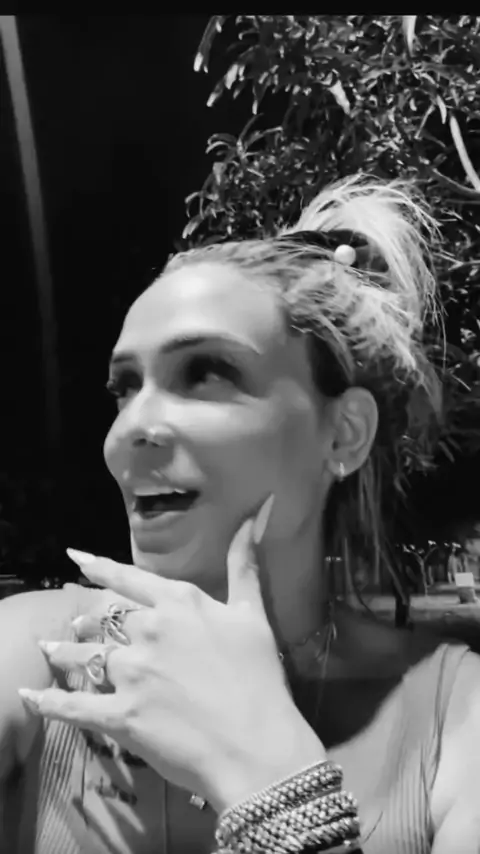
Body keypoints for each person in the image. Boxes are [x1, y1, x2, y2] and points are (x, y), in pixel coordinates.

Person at [2, 176, 480, 854]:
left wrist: (271, 778)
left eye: (206, 374)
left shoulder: (458, 716)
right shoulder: (31, 654)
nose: (128, 432)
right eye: (125, 388)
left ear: (344, 434)